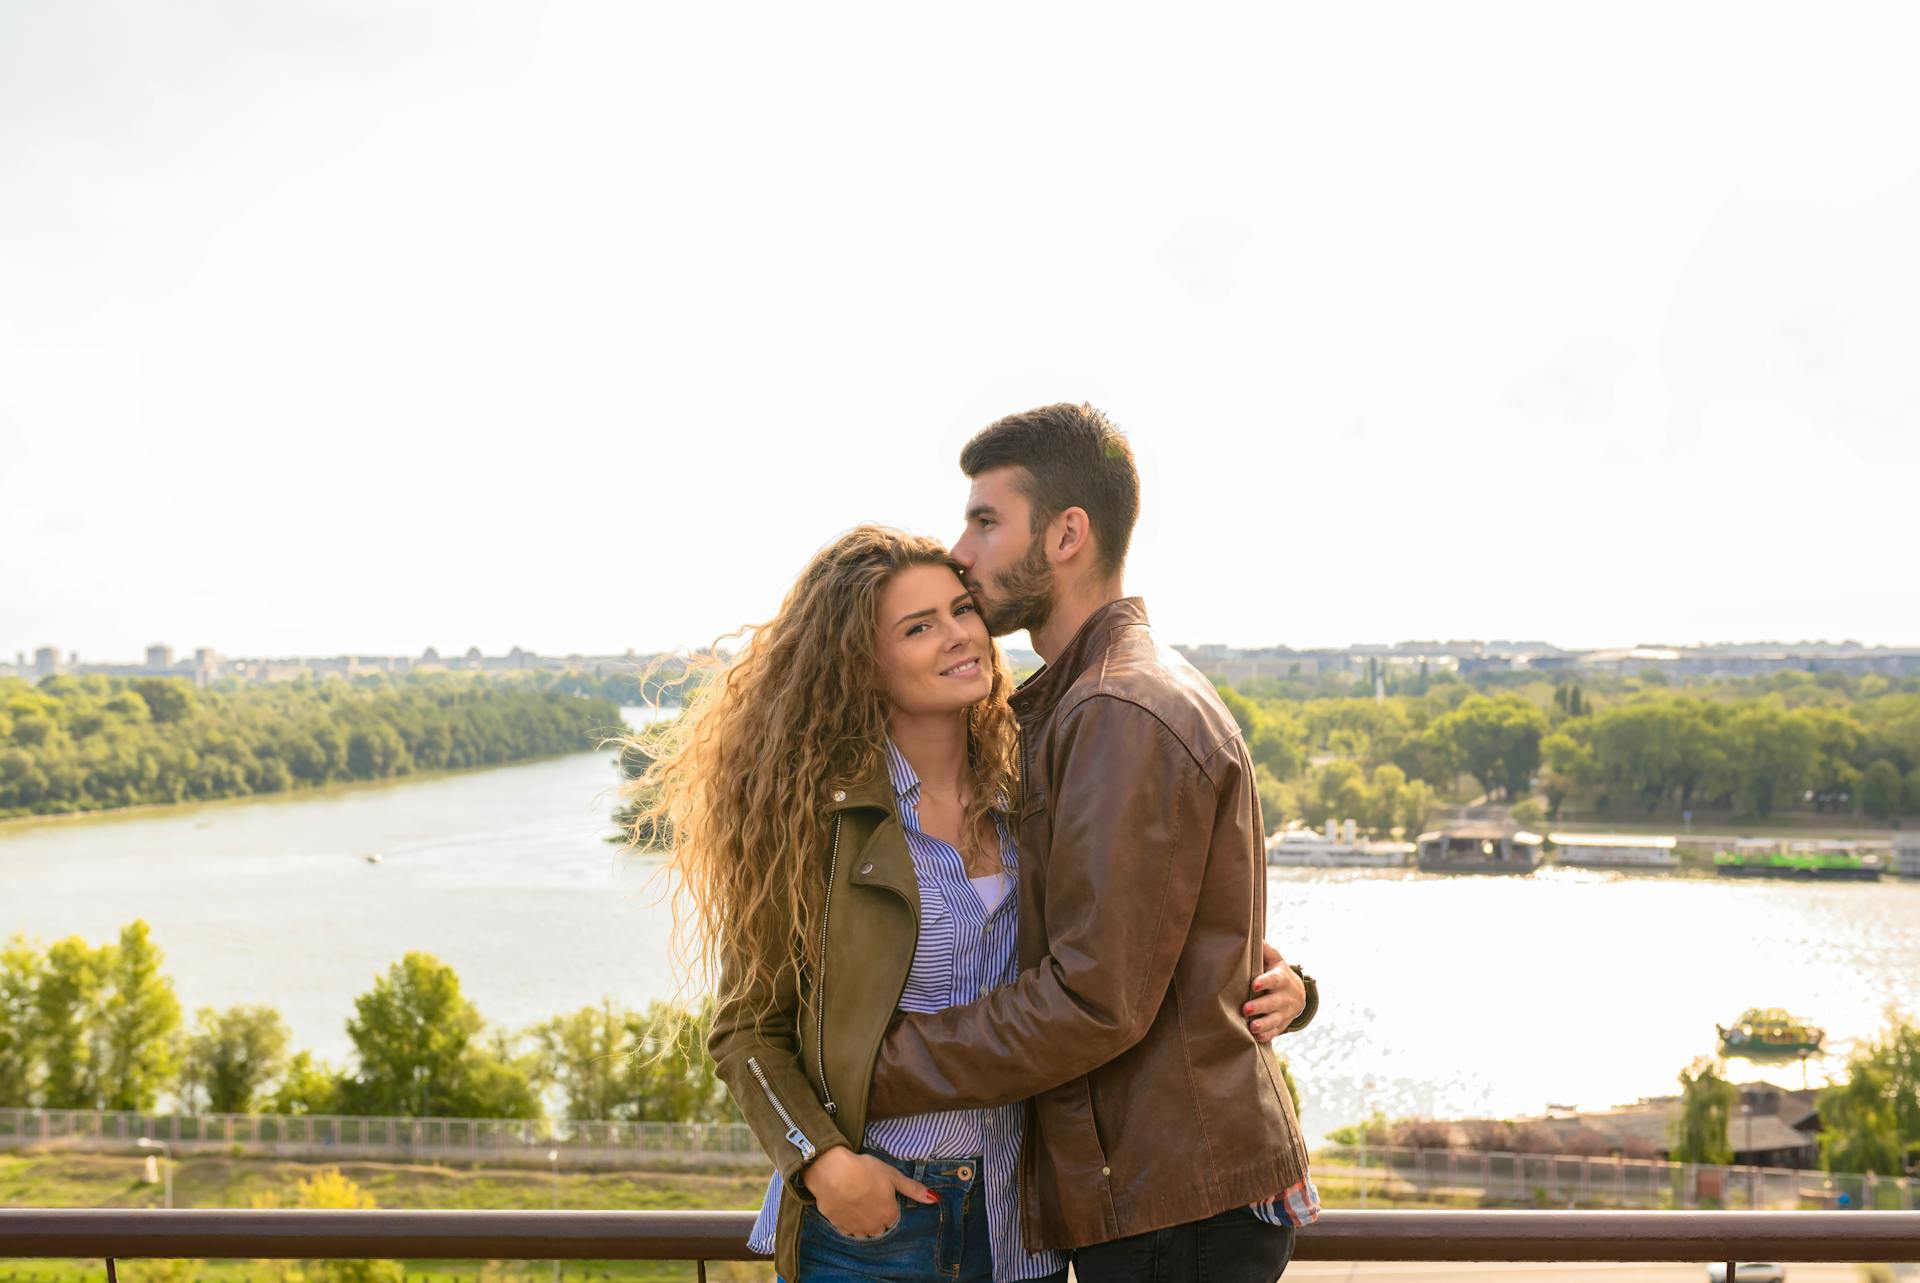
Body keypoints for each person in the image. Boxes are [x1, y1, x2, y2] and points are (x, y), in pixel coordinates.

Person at [635, 523, 1308, 1283]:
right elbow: (745, 1029)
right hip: (876, 1219)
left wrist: (1286, 986)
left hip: (1024, 1223)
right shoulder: (815, 821)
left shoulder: (1036, 791)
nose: (960, 636)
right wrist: (820, 1162)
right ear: (861, 661)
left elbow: (1136, 946)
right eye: (919, 627)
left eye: (963, 610)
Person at [860, 403, 1320, 1283]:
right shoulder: (1078, 704)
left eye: (987, 520)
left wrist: (871, 1067)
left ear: (1067, 533)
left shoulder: (1116, 711)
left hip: (1174, 1203)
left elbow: (1091, 998)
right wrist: (1288, 985)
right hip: (1159, 1191)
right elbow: (1170, 941)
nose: (962, 548)